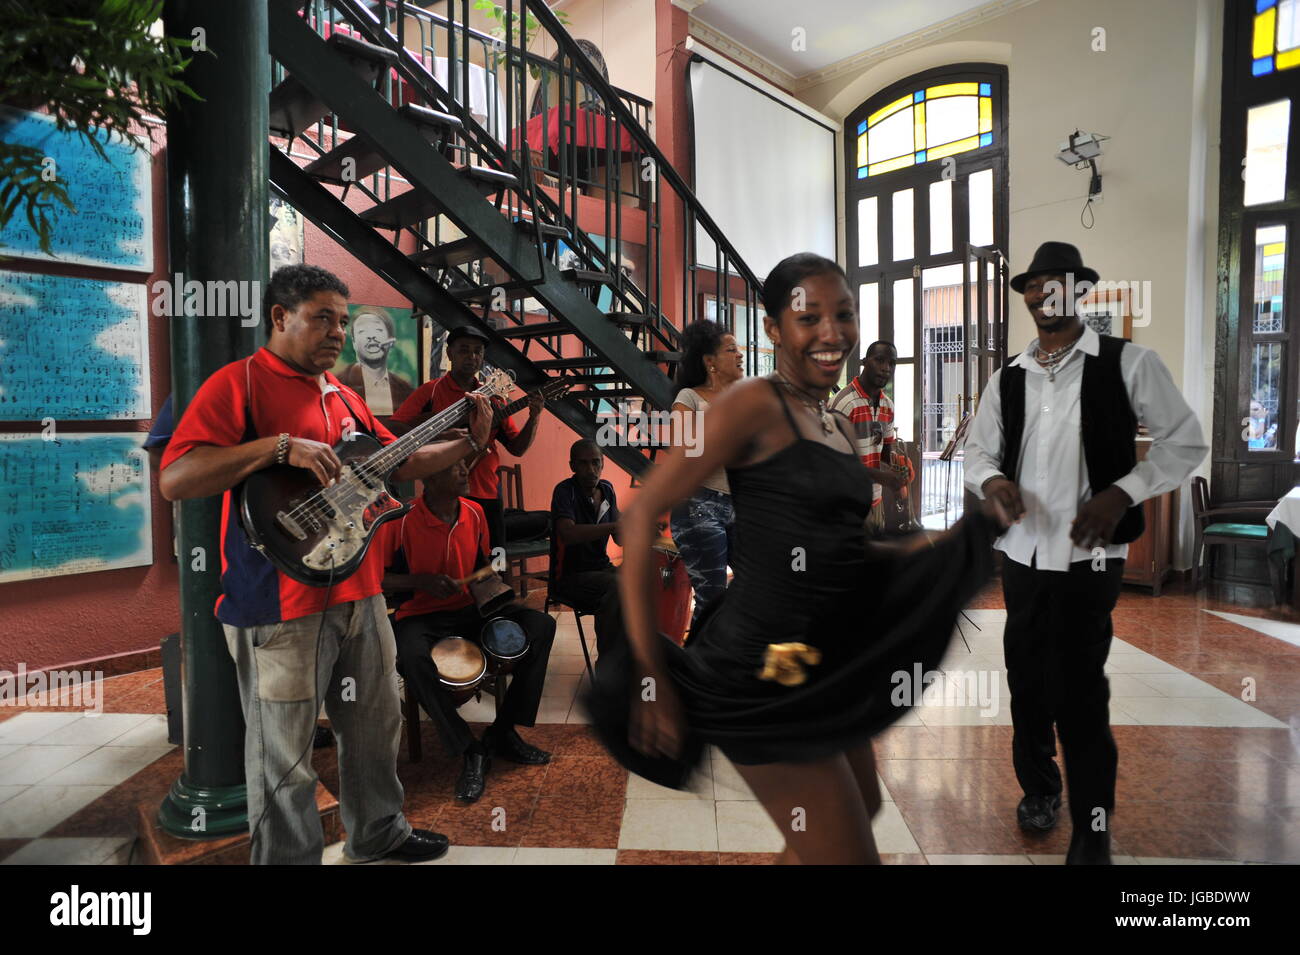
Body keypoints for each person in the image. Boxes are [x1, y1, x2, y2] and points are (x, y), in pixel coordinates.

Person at [583, 252, 1011, 865]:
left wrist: (955, 538)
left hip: (818, 661)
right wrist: (651, 675)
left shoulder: (829, 419)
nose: (832, 332)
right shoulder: (753, 404)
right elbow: (643, 508)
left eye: (844, 314)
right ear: (775, 329)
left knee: (860, 807)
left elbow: (844, 546)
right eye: (809, 317)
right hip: (762, 675)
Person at [160, 264, 494, 865]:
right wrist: (279, 447)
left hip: (361, 593)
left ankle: (378, 834)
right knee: (283, 758)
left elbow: (399, 464)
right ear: (279, 318)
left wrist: (472, 440)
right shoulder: (239, 384)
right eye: (323, 318)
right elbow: (177, 479)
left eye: (343, 321)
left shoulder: (341, 394)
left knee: (375, 727)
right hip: (277, 604)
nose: (337, 332)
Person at [963, 241, 1207, 865]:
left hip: (1089, 562)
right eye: (1033, 286)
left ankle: (1092, 830)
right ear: (1025, 296)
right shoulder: (1007, 378)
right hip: (1021, 556)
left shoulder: (1128, 363)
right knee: (1025, 681)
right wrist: (993, 484)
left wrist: (1122, 493)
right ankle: (1040, 790)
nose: (1044, 295)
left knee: (1079, 690)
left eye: (1057, 283)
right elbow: (978, 453)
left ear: (1080, 291)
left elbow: (1184, 443)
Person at [382, 458, 555, 803]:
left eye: (465, 466)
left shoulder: (475, 513)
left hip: (471, 610)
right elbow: (379, 578)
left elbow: (481, 566)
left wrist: (490, 584)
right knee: (414, 662)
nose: (465, 471)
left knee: (541, 625)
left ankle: (503, 732)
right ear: (428, 479)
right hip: (420, 616)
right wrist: (421, 582)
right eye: (455, 467)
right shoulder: (399, 522)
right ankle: (469, 749)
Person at [390, 325, 544, 550]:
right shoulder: (430, 392)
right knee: (448, 556)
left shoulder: (493, 398)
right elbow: (393, 428)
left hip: (487, 493)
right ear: (450, 353)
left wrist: (535, 415)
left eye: (477, 352)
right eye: (464, 350)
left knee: (493, 561)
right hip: (443, 495)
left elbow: (517, 449)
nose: (472, 357)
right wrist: (442, 430)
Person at [668, 320, 744, 633]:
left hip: (738, 506)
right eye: (732, 350)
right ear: (710, 361)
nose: (740, 355)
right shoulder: (689, 398)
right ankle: (695, 671)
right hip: (698, 506)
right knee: (712, 597)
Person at [828, 340, 915, 533]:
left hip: (875, 501)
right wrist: (884, 478)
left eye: (892, 363)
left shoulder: (887, 406)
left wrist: (899, 465)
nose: (886, 368)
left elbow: (884, 452)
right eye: (879, 360)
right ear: (865, 362)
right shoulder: (843, 403)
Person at [549, 439, 621, 652]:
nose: (591, 470)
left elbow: (619, 538)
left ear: (603, 463)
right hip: (569, 577)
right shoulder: (565, 491)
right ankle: (608, 665)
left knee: (640, 581)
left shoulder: (607, 489)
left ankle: (627, 659)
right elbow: (568, 534)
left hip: (601, 569)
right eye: (583, 463)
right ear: (572, 466)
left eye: (595, 462)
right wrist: (615, 525)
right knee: (616, 588)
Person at [335, 307, 416, 417]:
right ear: (354, 342)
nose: (371, 336)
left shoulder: (406, 389)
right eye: (362, 331)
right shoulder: (337, 386)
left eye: (378, 330)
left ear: (390, 339)